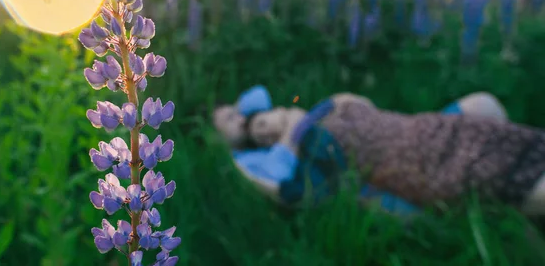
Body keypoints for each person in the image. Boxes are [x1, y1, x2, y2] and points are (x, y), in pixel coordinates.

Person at [213, 86, 545, 216]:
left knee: (484, 106)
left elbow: (364, 104)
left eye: (258, 120)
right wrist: (243, 162)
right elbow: (290, 193)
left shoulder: (325, 109)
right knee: (503, 163)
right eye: (252, 131)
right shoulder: (307, 148)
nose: (261, 126)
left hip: (408, 127)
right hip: (415, 153)